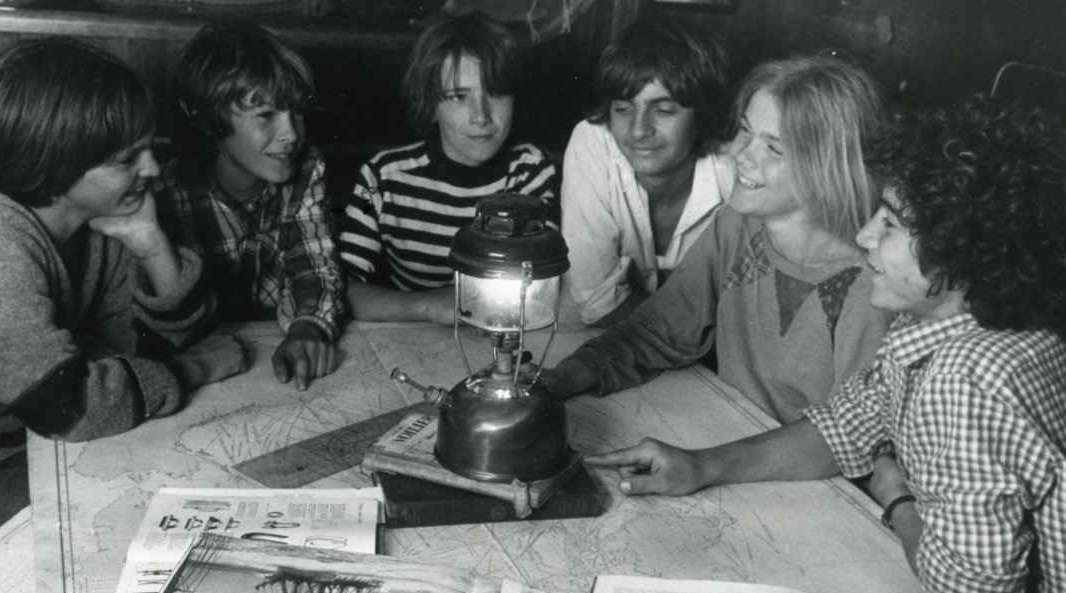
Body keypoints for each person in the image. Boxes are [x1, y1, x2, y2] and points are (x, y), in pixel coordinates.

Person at [585, 96, 1066, 593]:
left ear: (964, 256)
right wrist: (700, 466)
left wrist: (898, 500)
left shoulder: (964, 381)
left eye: (890, 224)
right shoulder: (985, 330)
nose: (865, 235)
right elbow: (843, 427)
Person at [0, 38, 247, 580]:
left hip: (31, 448)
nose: (151, 167)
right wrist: (199, 370)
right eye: (127, 159)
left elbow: (159, 343)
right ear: (55, 166)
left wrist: (150, 243)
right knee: (134, 561)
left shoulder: (90, 226)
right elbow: (75, 407)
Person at [547, 56, 890, 425]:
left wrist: (702, 466)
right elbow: (659, 329)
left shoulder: (875, 280)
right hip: (732, 434)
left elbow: (848, 435)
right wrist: (562, 377)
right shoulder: (736, 225)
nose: (741, 154)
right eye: (745, 130)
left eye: (774, 148)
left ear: (830, 168)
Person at [155, 20, 342, 391]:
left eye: (296, 112)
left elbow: (313, 266)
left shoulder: (305, 168)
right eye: (267, 115)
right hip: (203, 368)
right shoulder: (166, 192)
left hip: (272, 363)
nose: (291, 134)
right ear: (211, 122)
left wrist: (307, 328)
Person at [336, 12, 559, 324]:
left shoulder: (531, 170)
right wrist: (429, 307)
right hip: (412, 340)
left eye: (495, 93)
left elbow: (540, 283)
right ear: (430, 106)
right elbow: (340, 290)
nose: (480, 116)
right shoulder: (380, 178)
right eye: (458, 96)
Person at [562, 15, 734, 326]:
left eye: (664, 110)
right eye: (623, 109)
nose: (639, 130)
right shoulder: (592, 140)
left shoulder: (736, 167)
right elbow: (596, 301)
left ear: (702, 115)